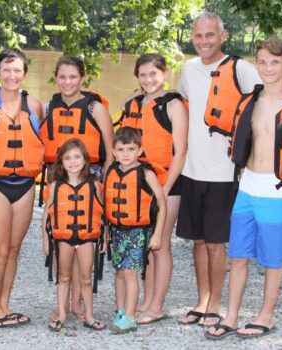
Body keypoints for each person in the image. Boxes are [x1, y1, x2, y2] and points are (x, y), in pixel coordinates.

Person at [176, 12, 282, 327]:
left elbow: (276, 88)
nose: (204, 41)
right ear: (192, 37)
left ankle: (217, 306)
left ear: (223, 36)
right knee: (197, 241)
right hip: (192, 169)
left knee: (216, 242)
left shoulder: (243, 69)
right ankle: (202, 299)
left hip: (225, 173)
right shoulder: (188, 70)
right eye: (198, 35)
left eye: (210, 35)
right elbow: (177, 105)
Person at [205, 37, 282, 340]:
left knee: (272, 261)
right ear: (255, 63)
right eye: (262, 61)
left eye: (275, 62)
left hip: (278, 189)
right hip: (247, 188)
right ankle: (231, 316)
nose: (268, 68)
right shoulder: (250, 100)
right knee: (239, 256)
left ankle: (265, 317)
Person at [0, 48, 45, 327]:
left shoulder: (35, 106)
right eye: (6, 69)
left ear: (25, 73)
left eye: (17, 70)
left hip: (25, 185)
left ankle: (5, 304)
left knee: (14, 249)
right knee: (0, 250)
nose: (12, 75)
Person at [40, 56, 114, 320]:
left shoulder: (95, 108)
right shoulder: (49, 106)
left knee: (83, 233)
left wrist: (103, 183)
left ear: (82, 78)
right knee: (62, 233)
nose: (67, 82)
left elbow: (110, 149)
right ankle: (63, 304)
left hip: (90, 176)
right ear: (56, 77)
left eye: (73, 77)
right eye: (62, 77)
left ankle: (78, 303)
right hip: (58, 177)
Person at [117, 54, 188, 324]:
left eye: (153, 74)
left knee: (161, 244)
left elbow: (181, 151)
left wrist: (166, 187)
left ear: (164, 74)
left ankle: (157, 305)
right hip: (138, 184)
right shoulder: (133, 104)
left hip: (166, 183)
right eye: (143, 75)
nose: (148, 80)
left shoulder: (173, 105)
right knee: (145, 244)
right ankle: (145, 301)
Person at [105, 127, 167, 333]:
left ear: (139, 151)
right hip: (117, 230)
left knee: (131, 274)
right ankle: (121, 310)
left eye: (130, 149)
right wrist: (106, 232)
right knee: (120, 273)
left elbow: (162, 204)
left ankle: (130, 318)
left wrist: (157, 234)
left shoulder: (146, 174)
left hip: (137, 232)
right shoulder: (111, 171)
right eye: (121, 149)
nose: (125, 154)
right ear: (114, 151)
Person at [42, 139, 107, 332]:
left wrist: (104, 238)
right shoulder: (55, 187)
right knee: (63, 277)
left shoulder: (94, 185)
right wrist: (46, 240)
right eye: (68, 158)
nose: (73, 161)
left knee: (86, 278)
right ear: (61, 162)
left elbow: (101, 213)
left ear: (85, 160)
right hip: (63, 240)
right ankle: (62, 314)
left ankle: (89, 316)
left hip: (86, 239)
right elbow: (46, 215)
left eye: (77, 157)